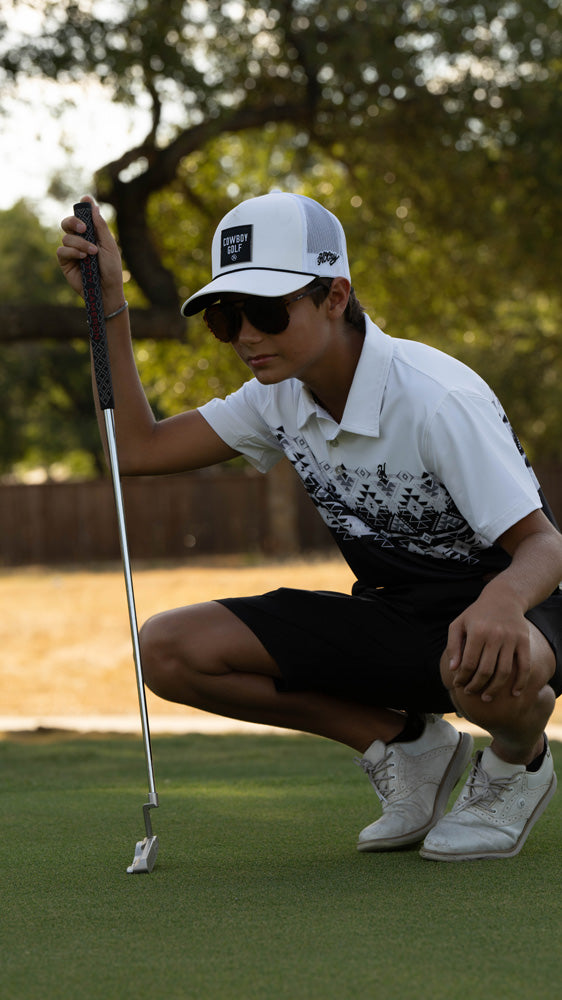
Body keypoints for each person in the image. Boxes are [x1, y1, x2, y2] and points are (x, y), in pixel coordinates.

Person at [58, 191, 562, 862]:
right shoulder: (277, 396)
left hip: (514, 617)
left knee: (489, 655)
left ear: (334, 296)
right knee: (170, 647)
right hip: (398, 621)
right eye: (225, 318)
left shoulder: (437, 398)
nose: (245, 336)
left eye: (266, 311)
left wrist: (501, 601)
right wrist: (108, 303)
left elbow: (544, 544)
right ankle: (405, 748)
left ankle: (515, 764)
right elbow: (136, 449)